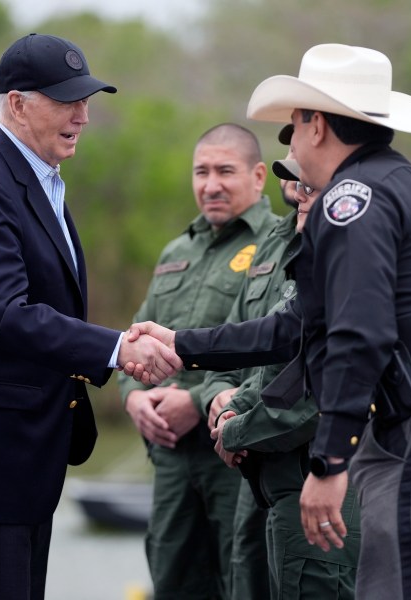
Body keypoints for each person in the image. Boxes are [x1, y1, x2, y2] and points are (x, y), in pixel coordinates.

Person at [127, 44, 411, 600]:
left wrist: (331, 461)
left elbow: (356, 336)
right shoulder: (394, 182)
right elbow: (295, 329)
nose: (291, 141)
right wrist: (182, 343)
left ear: (317, 125)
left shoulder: (351, 198)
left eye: (294, 124)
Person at [0, 33, 181, 600]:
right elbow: (3, 314)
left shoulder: (40, 178)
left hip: (28, 459)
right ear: (17, 104)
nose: (82, 115)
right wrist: (117, 348)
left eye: (86, 100)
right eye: (65, 100)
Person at [117, 123, 280, 600]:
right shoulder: (175, 251)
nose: (211, 184)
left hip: (235, 455)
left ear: (257, 176)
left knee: (244, 580)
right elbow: (136, 333)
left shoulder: (277, 245)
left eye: (225, 171)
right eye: (201, 171)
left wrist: (195, 398)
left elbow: (280, 346)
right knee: (172, 579)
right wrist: (132, 400)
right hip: (170, 460)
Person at [204, 125, 360, 598]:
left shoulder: (352, 258)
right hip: (267, 475)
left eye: (311, 181)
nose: (299, 185)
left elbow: (316, 385)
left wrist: (235, 429)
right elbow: (262, 345)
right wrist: (225, 402)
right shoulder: (285, 246)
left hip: (323, 478)